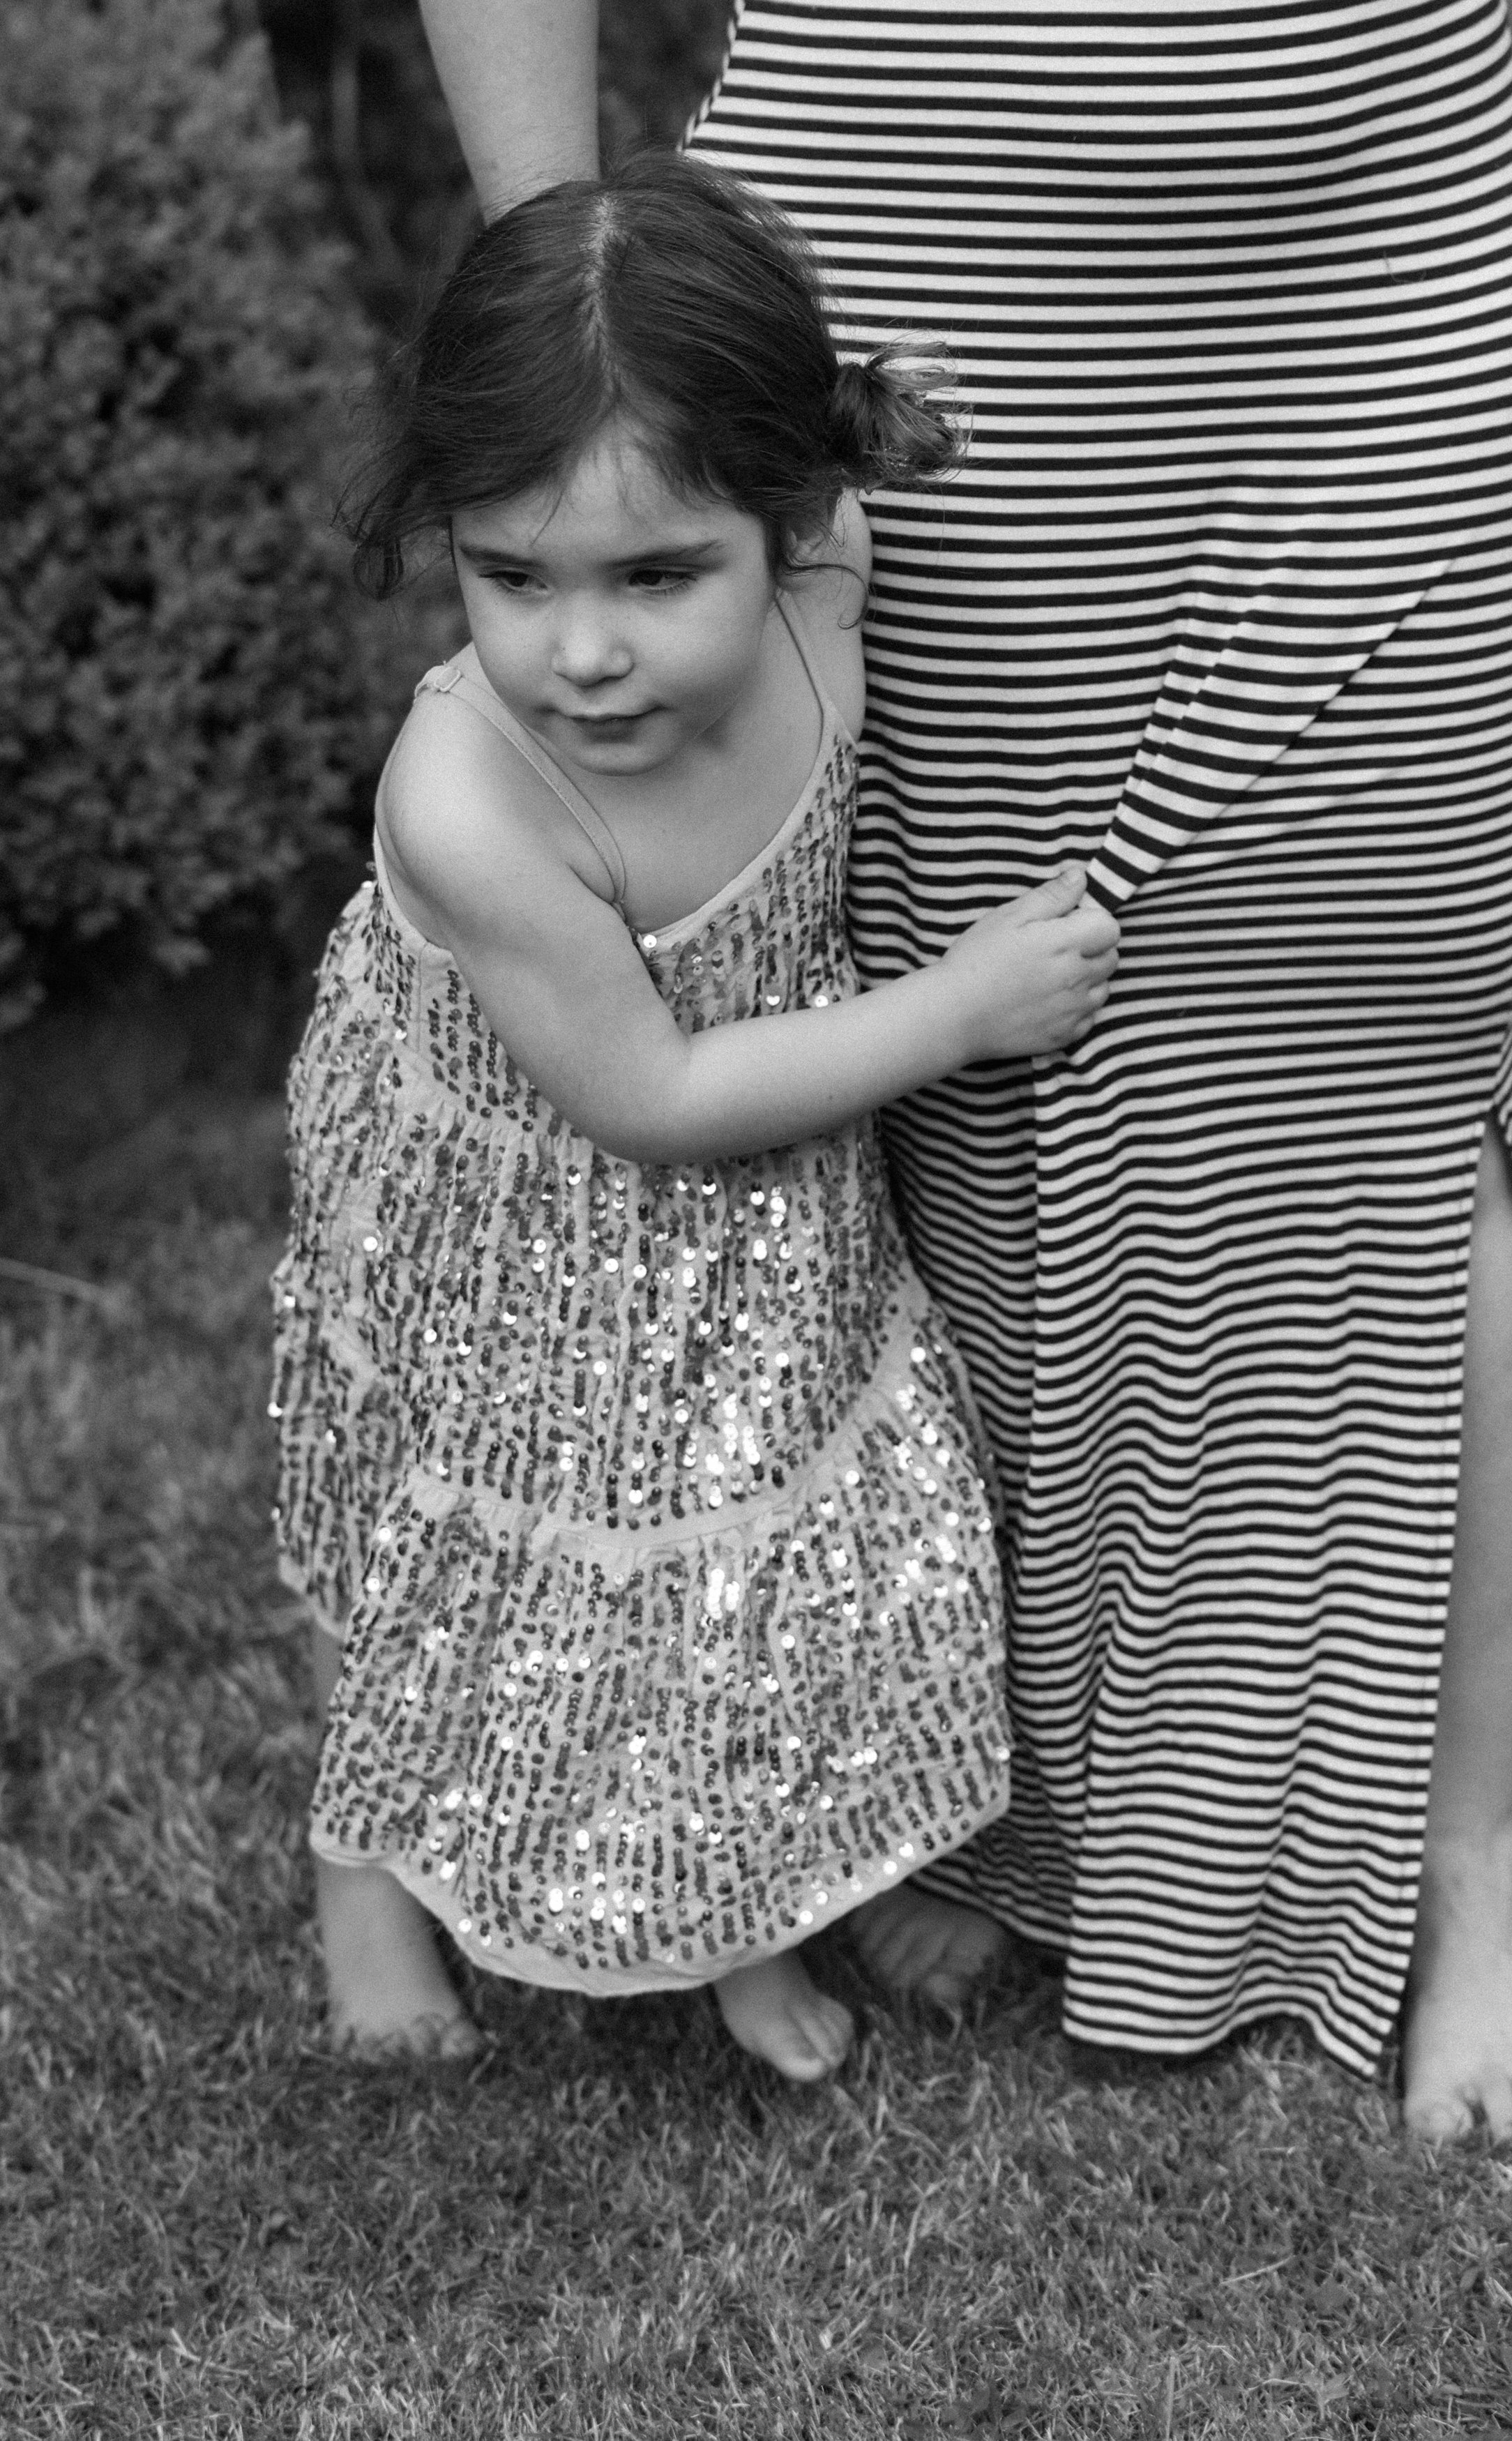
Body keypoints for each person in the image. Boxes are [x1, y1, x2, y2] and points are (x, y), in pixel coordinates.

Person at [415, 0, 1512, 2139]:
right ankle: (1034, 1802)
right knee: (984, 1090)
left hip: (1394, 277)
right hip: (911, 329)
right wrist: (594, 363)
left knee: (1391, 1094)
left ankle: (1458, 1863)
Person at [270, 153, 1120, 2080]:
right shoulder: (472, 805)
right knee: (483, 1546)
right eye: (512, 576)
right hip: (515, 1203)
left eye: (656, 575)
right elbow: (651, 1091)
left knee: (727, 1547)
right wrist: (963, 1008)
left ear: (789, 515)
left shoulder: (831, 575)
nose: (581, 650)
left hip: (747, 1192)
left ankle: (730, 1904)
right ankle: (367, 1875)